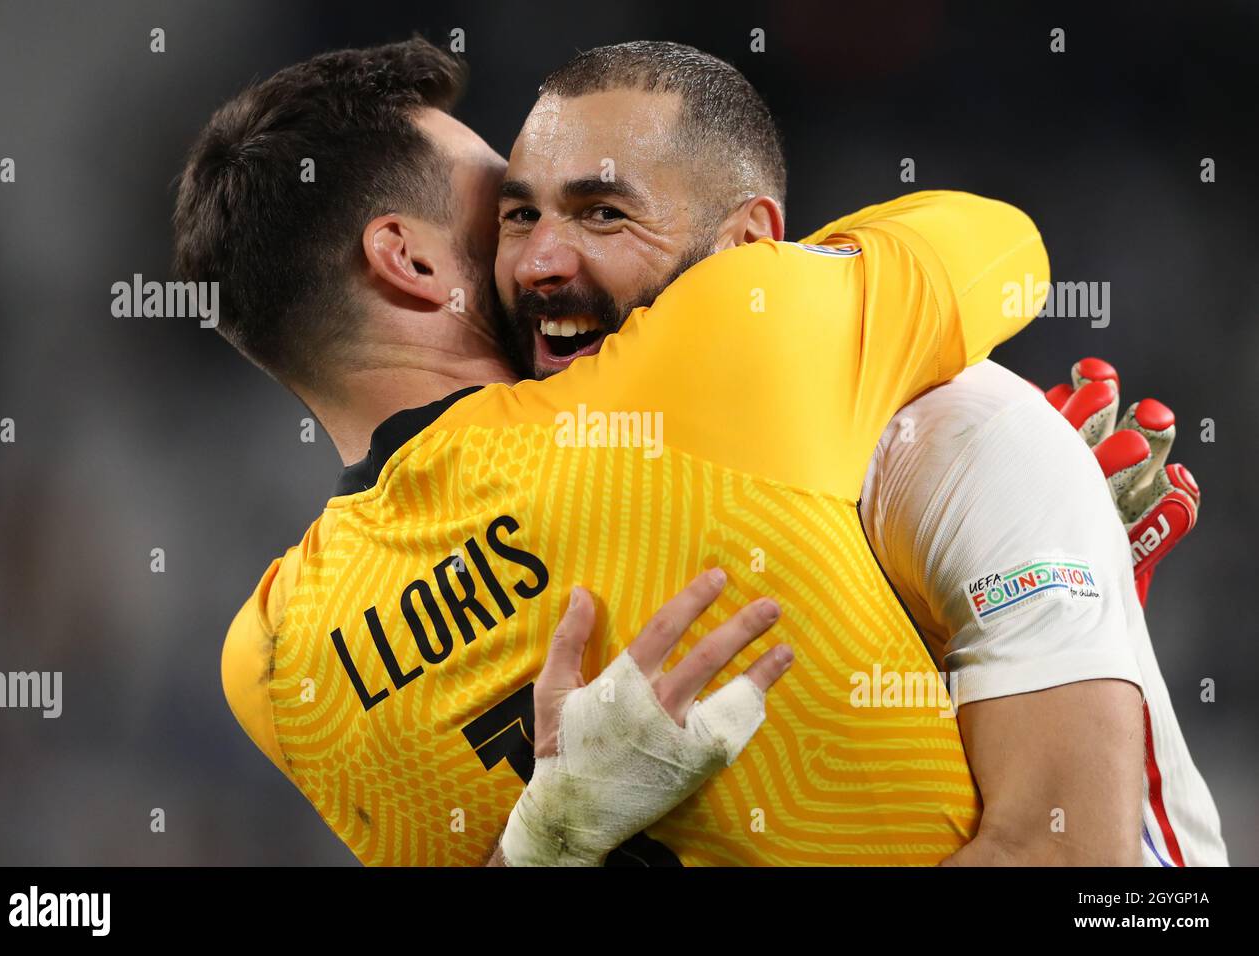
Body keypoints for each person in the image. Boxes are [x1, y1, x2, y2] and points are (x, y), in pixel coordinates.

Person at [176, 38, 1044, 864]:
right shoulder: (707, 354)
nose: (541, 261)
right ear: (407, 259)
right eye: (505, 216)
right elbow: (1006, 245)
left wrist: (540, 847)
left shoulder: (272, 666)